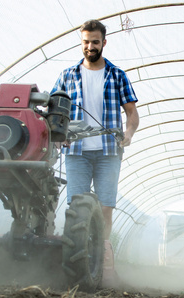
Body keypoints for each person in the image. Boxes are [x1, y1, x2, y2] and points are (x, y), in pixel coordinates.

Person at [52, 19, 139, 283]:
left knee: (104, 208)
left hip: (108, 152)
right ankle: (76, 262)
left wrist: (129, 133)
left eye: (95, 42)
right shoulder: (67, 76)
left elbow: (132, 113)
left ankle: (101, 265)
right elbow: (55, 112)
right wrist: (58, 136)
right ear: (82, 42)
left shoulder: (117, 75)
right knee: (76, 208)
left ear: (104, 42)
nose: (90, 47)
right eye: (86, 42)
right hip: (76, 151)